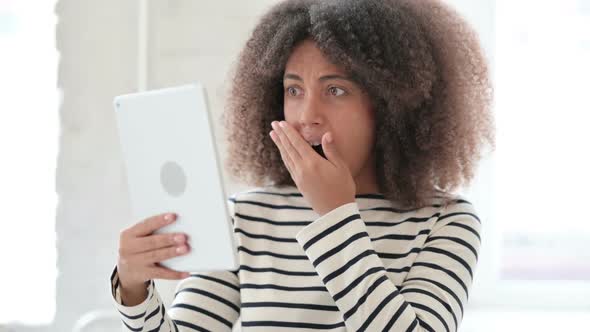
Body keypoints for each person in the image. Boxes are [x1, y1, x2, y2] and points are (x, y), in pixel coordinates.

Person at [109, 0, 494, 330]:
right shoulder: (245, 218)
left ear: (391, 106)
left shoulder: (447, 222)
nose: (307, 115)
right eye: (294, 90)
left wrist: (336, 215)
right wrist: (133, 287)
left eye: (336, 90)